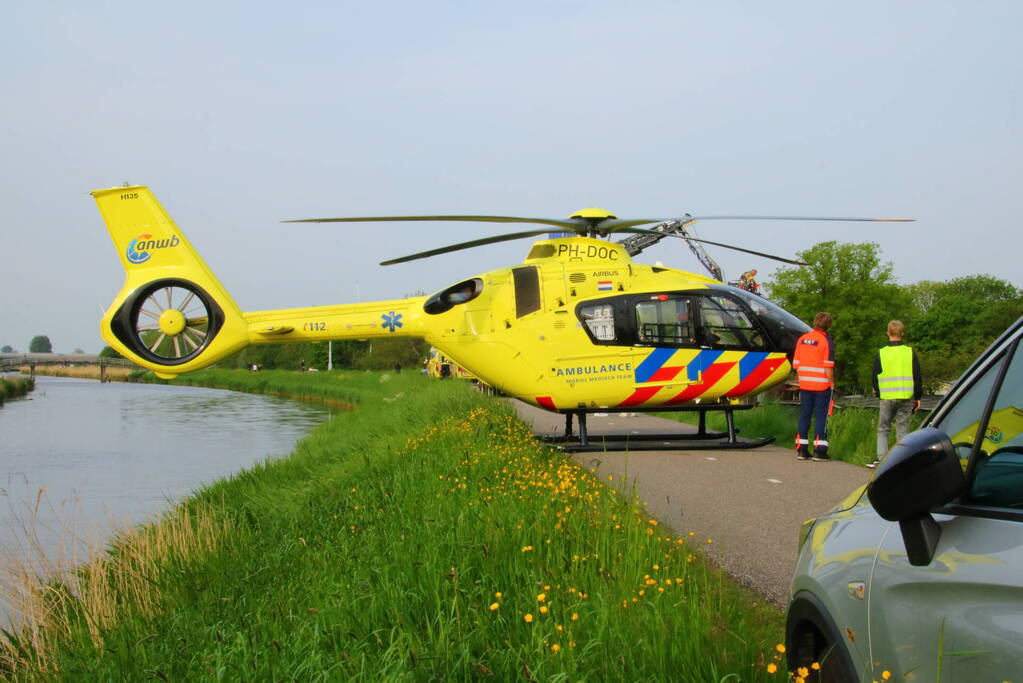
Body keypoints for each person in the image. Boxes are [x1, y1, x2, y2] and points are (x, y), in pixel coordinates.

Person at [868, 320, 922, 468]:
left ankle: (882, 461)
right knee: (902, 428)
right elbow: (917, 376)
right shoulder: (909, 352)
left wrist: (878, 392)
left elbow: (875, 375)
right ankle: (902, 461)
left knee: (883, 429)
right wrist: (918, 397)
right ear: (902, 334)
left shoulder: (882, 352)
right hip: (905, 397)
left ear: (888, 333)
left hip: (887, 397)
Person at [793, 312, 835, 461]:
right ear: (828, 325)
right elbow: (828, 366)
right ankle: (820, 450)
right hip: (822, 385)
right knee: (821, 417)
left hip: (805, 383)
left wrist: (803, 378)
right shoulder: (826, 341)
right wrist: (832, 383)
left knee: (804, 415)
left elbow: (796, 364)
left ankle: (802, 449)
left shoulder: (802, 339)